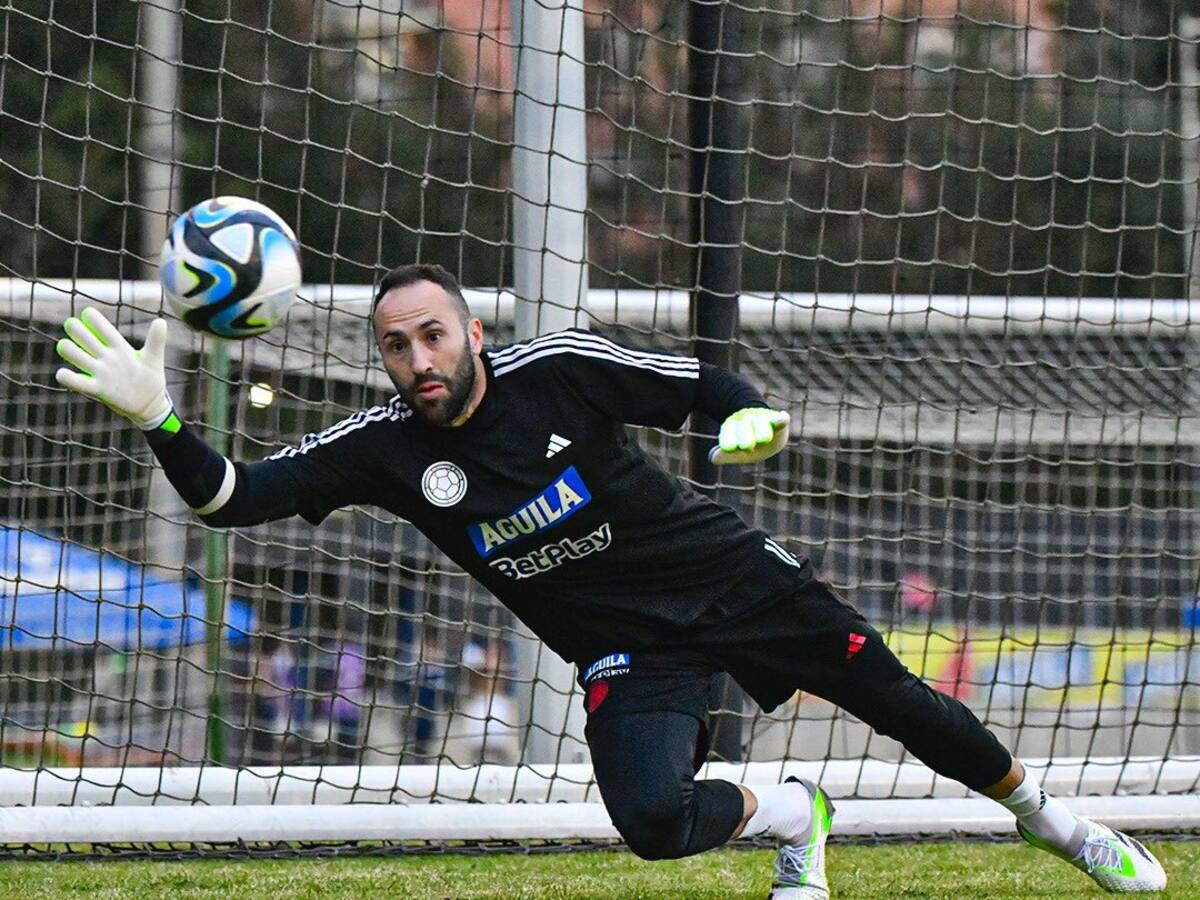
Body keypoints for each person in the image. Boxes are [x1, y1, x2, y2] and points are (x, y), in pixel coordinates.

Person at [53, 264, 1166, 896]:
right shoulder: (385, 446)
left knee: (907, 708)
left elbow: (710, 387)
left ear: (472, 331)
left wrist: (748, 419)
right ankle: (796, 816)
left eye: (432, 335)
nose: (418, 360)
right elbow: (231, 498)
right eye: (396, 346)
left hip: (737, 581)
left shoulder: (562, 372)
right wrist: (158, 416)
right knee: (648, 819)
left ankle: (1055, 823)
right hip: (632, 653)